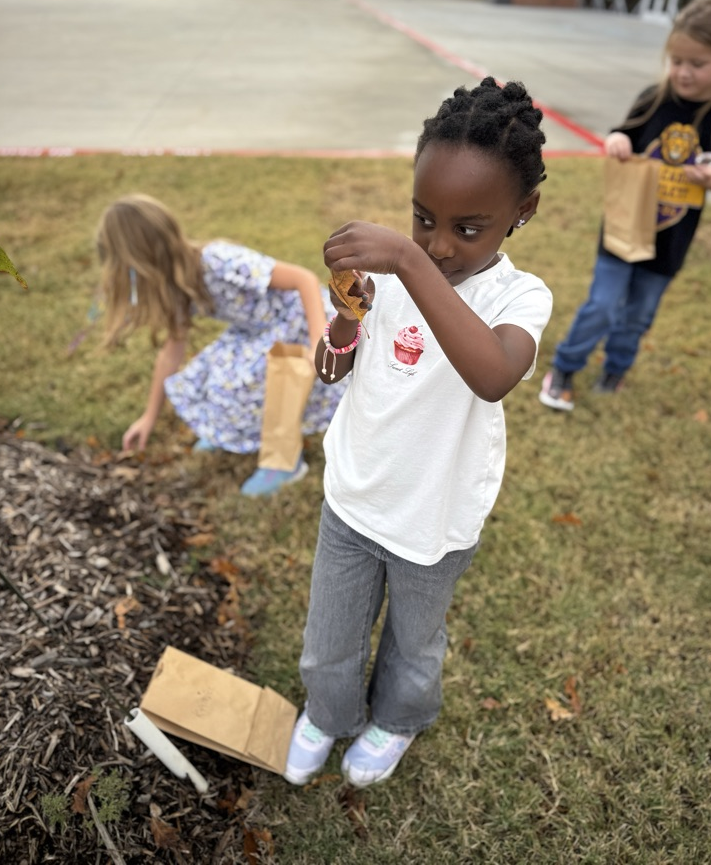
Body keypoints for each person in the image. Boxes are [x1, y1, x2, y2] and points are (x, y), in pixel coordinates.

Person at [282, 77, 553, 788]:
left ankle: (397, 720)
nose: (436, 245)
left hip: (436, 515)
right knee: (329, 640)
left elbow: (492, 372)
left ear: (522, 211)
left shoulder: (519, 298)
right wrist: (346, 319)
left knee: (413, 643)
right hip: (356, 496)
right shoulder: (391, 275)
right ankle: (329, 712)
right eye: (421, 219)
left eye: (468, 228)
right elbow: (331, 370)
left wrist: (404, 261)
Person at [539, 0, 711, 411]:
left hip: (670, 239)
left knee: (638, 315)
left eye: (696, 64)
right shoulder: (656, 97)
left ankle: (617, 368)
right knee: (603, 305)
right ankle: (565, 367)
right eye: (676, 61)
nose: (682, 73)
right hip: (625, 226)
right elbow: (623, 133)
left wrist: (710, 178)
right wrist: (615, 141)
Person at [96, 194, 347, 495]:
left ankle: (285, 462)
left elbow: (303, 279)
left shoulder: (219, 261)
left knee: (242, 383)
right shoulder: (178, 285)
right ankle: (226, 428)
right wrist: (149, 416)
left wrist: (320, 340)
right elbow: (171, 352)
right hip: (258, 330)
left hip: (302, 321)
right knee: (209, 374)